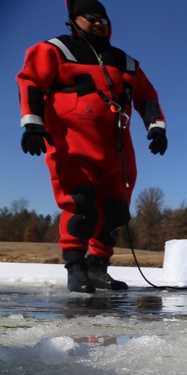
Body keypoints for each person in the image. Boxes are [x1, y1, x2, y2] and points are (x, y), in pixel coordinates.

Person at [16, 0, 167, 293]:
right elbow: (30, 81)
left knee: (116, 210)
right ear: (74, 20)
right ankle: (76, 268)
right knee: (81, 205)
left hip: (118, 151)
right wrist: (32, 122)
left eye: (104, 18)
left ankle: (98, 267)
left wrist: (157, 127)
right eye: (91, 17)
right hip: (72, 144)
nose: (99, 23)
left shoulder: (126, 62)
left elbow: (147, 96)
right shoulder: (54, 50)